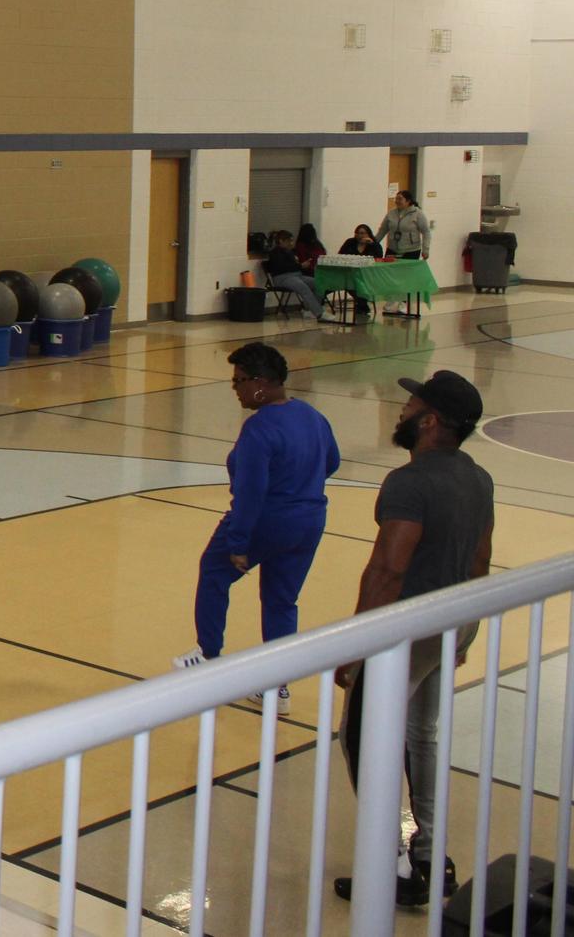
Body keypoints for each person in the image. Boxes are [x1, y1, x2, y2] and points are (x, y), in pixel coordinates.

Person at [333, 370, 493, 912]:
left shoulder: (409, 483)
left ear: (429, 421)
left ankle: (394, 865)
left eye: (410, 404)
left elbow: (388, 570)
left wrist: (356, 645)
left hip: (408, 630)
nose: (401, 410)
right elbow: (480, 559)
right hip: (452, 621)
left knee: (361, 738)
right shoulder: (478, 478)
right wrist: (465, 630)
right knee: (422, 735)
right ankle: (431, 852)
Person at [172, 344, 339, 713]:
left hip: (267, 520)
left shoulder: (259, 429)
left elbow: (250, 492)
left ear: (261, 383)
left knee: (214, 573)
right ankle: (276, 688)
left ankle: (208, 656)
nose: (235, 389)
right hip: (309, 521)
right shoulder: (312, 416)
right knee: (282, 600)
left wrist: (239, 541)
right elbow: (332, 462)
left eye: (239, 381)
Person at [263, 229, 329, 323]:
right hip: (283, 278)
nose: (291, 243)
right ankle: (319, 314)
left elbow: (294, 266)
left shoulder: (290, 252)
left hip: (297, 275)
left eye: (292, 241)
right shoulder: (275, 253)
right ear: (281, 241)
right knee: (303, 288)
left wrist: (303, 265)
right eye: (289, 241)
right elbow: (282, 267)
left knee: (319, 283)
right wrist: (300, 265)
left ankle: (308, 310)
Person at [379, 190, 431, 262]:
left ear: (408, 201)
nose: (397, 201)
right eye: (396, 199)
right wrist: (374, 243)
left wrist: (425, 250)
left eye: (400, 199)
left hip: (411, 251)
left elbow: (426, 232)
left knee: (407, 269)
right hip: (392, 250)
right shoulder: (391, 213)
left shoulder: (418, 214)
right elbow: (382, 230)